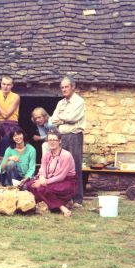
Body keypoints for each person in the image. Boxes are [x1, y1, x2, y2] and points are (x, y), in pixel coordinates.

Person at [49, 75, 86, 207]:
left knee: (75, 167)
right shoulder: (60, 103)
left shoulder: (79, 101)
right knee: (61, 166)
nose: (64, 89)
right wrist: (64, 118)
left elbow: (72, 117)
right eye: (62, 87)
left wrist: (62, 118)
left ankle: (77, 199)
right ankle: (65, 198)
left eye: (66, 87)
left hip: (74, 136)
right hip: (62, 136)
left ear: (73, 87)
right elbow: (53, 120)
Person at [26, 129, 76, 217]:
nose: (52, 142)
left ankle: (59, 206)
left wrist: (44, 182)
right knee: (30, 184)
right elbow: (42, 169)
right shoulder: (47, 155)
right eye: (50, 140)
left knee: (42, 189)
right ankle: (60, 205)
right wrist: (41, 178)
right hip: (48, 180)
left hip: (65, 182)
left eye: (54, 140)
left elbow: (61, 176)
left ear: (59, 141)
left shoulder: (66, 155)